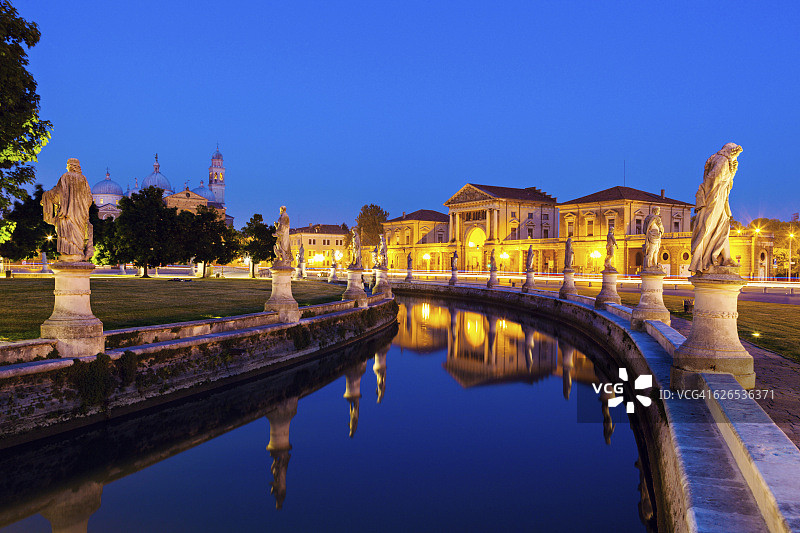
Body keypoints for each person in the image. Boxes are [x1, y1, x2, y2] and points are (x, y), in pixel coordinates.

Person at [690, 143, 742, 272]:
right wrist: (710, 194)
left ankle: (726, 257)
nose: (736, 159)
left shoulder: (722, 160)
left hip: (719, 198)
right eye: (736, 156)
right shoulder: (723, 160)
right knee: (712, 227)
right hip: (715, 198)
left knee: (722, 227)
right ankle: (708, 258)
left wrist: (732, 171)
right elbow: (713, 178)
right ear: (731, 152)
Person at [41, 158, 94, 261]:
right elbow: (89, 198)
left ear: (70, 166)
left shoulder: (65, 177)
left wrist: (46, 195)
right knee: (78, 233)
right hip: (80, 214)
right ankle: (78, 253)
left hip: (67, 214)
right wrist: (82, 207)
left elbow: (57, 195)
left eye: (67, 165)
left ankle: (69, 254)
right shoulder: (83, 179)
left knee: (67, 233)